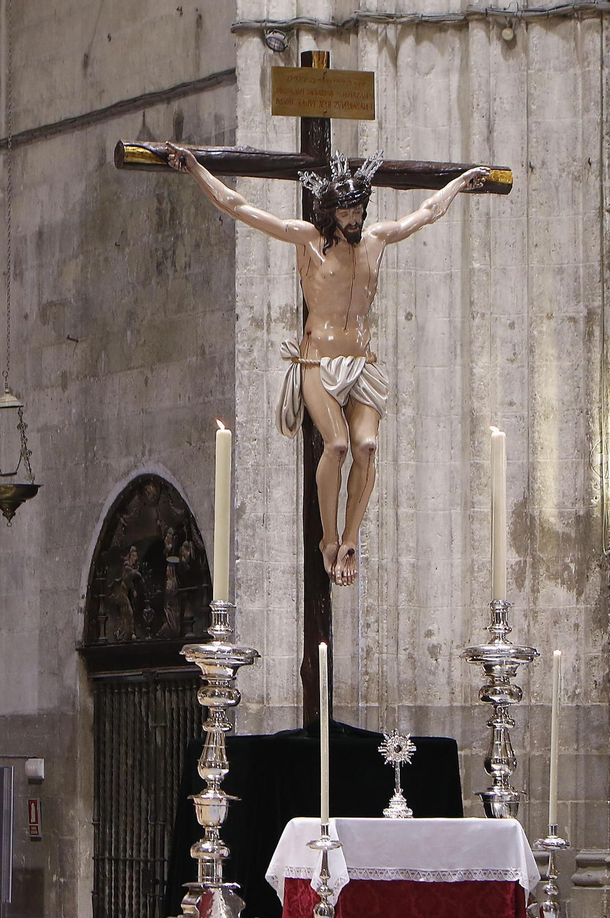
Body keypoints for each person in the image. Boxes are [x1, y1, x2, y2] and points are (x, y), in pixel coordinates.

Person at [167, 143, 489, 586]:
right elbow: (239, 207)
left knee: (367, 446)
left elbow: (427, 212)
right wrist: (196, 168)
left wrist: (458, 183)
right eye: (345, 212)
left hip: (361, 361)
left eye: (358, 211)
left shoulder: (377, 239)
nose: (354, 220)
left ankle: (351, 539)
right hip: (317, 361)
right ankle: (329, 539)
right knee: (336, 446)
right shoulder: (309, 242)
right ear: (331, 212)